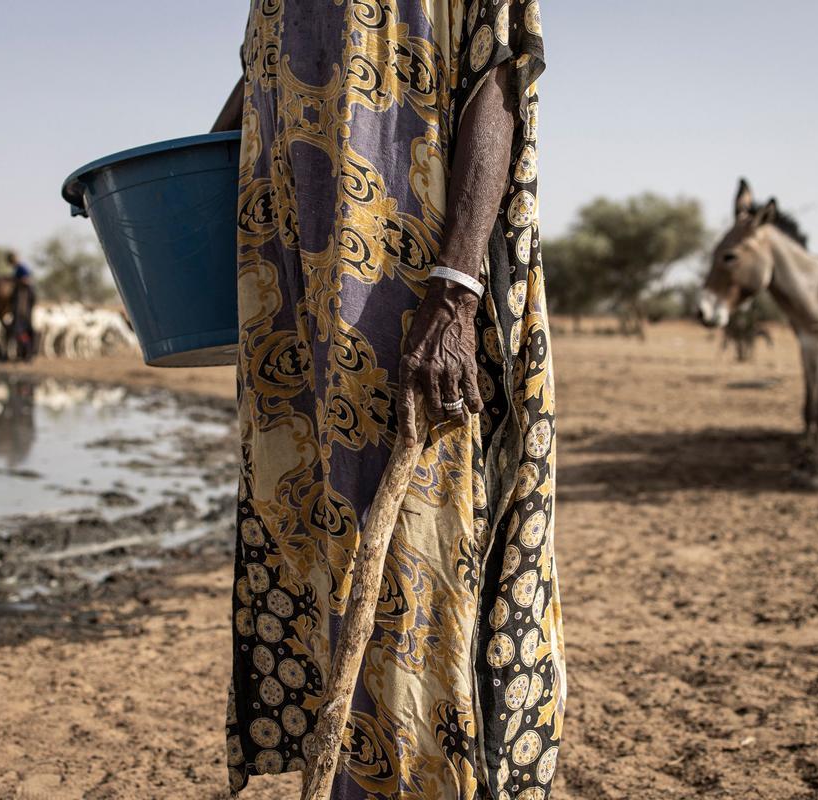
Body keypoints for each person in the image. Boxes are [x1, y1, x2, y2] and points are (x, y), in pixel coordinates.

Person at [215, 3, 562, 798]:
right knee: (312, 540)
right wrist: (150, 185)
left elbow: (497, 80)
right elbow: (254, 85)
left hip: (405, 296)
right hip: (294, 308)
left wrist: (456, 291)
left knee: (416, 548)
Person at [5, 252, 36, 362]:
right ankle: (24, 353)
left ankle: (28, 352)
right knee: (19, 329)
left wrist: (16, 281)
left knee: (20, 330)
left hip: (23, 303)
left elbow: (27, 281)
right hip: (22, 303)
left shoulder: (22, 268)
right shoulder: (18, 269)